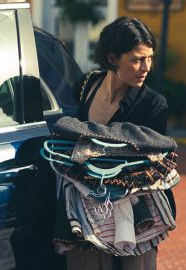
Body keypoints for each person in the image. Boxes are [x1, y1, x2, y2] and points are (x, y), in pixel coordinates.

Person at [66, 16, 175, 270]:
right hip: (87, 213)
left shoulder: (153, 104)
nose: (146, 67)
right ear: (112, 57)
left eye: (150, 58)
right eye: (137, 59)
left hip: (134, 217)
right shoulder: (87, 84)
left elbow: (153, 165)